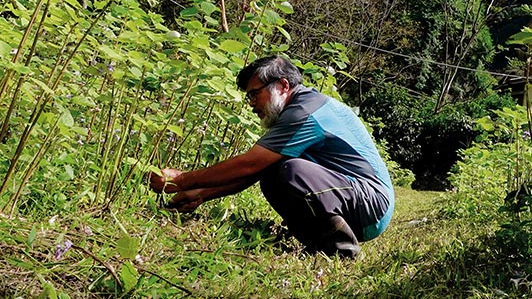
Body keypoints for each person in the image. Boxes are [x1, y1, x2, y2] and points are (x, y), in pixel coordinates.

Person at [146, 55, 395, 258]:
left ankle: (342, 251)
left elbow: (249, 164)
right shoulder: (301, 106)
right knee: (276, 173)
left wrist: (180, 180)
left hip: (373, 206)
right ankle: (316, 244)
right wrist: (202, 194)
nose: (252, 104)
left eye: (254, 94)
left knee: (291, 172)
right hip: (360, 199)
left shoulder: (304, 112)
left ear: (283, 86)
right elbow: (257, 170)